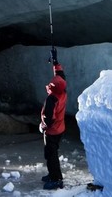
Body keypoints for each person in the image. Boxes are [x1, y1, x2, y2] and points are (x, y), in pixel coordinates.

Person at [40, 47, 67, 190]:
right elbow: (61, 75)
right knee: (52, 153)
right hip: (60, 128)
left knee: (51, 155)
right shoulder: (62, 91)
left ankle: (56, 179)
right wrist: (55, 60)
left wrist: (42, 126)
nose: (49, 84)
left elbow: (48, 118)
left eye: (51, 83)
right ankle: (52, 174)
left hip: (52, 131)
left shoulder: (52, 99)